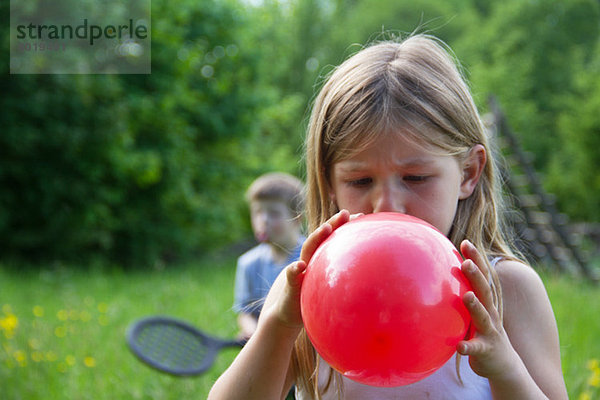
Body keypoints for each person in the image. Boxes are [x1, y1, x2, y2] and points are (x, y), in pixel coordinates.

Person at [209, 34, 568, 399]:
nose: (387, 206)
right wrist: (278, 326)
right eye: (360, 180)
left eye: (415, 178)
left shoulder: (508, 289)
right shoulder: (311, 290)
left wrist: (505, 366)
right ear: (330, 183)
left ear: (468, 173)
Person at [233, 172, 306, 341]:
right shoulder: (248, 263)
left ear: (297, 219)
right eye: (257, 212)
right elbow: (245, 312)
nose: (263, 220)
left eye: (274, 213)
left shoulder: (312, 256)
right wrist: (252, 332)